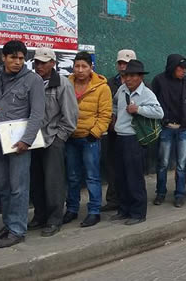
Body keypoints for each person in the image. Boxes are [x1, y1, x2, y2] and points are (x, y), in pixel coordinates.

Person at [0, 40, 44, 248]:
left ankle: (17, 230)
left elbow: (37, 113)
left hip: (19, 143)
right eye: (13, 58)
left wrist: (27, 140)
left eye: (21, 58)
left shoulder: (33, 80)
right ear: (4, 57)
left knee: (18, 188)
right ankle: (8, 225)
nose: (18, 62)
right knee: (4, 187)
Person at [29, 48, 78, 237]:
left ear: (53, 63)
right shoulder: (32, 82)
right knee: (36, 180)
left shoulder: (62, 84)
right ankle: (40, 215)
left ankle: (54, 219)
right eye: (37, 62)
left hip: (52, 139)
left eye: (43, 62)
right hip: (32, 139)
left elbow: (71, 115)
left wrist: (60, 137)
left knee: (53, 182)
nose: (39, 66)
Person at [111, 60, 163, 224]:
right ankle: (123, 210)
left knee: (134, 178)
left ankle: (138, 213)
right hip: (120, 137)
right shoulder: (121, 89)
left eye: (133, 76)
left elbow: (159, 112)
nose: (128, 79)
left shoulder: (146, 93)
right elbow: (114, 104)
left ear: (140, 77)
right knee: (121, 177)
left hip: (134, 139)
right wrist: (113, 119)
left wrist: (139, 109)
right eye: (126, 75)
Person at [64, 52, 112, 228]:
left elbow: (105, 114)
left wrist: (95, 132)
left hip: (90, 138)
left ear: (91, 67)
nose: (80, 70)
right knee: (72, 176)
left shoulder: (101, 87)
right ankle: (72, 209)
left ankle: (94, 211)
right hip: (70, 137)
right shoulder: (67, 83)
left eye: (84, 66)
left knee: (92, 176)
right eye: (77, 66)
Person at [151, 54, 186, 208]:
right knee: (163, 163)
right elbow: (153, 102)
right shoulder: (159, 81)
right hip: (166, 128)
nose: (184, 71)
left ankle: (179, 194)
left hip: (183, 129)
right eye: (181, 68)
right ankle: (161, 193)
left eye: (185, 68)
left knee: (182, 164)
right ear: (172, 67)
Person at [102, 49, 137, 212]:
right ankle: (113, 200)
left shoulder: (143, 86)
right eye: (121, 63)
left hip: (132, 134)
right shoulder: (110, 83)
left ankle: (130, 201)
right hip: (113, 132)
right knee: (113, 166)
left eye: (127, 64)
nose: (124, 67)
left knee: (130, 169)